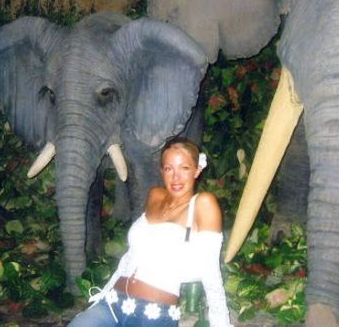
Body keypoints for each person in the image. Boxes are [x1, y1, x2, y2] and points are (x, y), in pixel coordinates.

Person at [69, 136, 233, 327]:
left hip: (153, 314)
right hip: (112, 302)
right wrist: (104, 294)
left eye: (184, 168)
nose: (176, 177)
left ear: (197, 170)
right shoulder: (155, 195)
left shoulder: (203, 204)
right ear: (161, 171)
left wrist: (220, 323)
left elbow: (211, 273)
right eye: (169, 168)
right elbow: (131, 255)